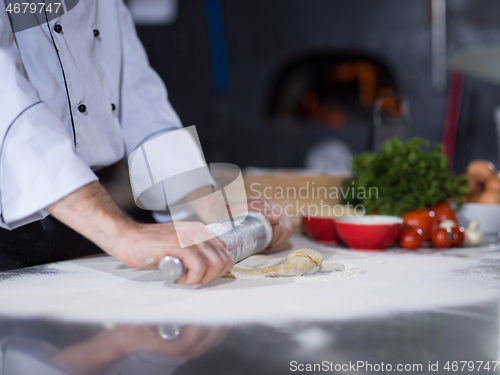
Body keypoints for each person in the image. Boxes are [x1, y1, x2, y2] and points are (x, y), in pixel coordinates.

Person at [0, 0, 292, 283]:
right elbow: (7, 104)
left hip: (73, 223)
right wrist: (121, 233)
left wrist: (206, 206)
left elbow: (136, 95)